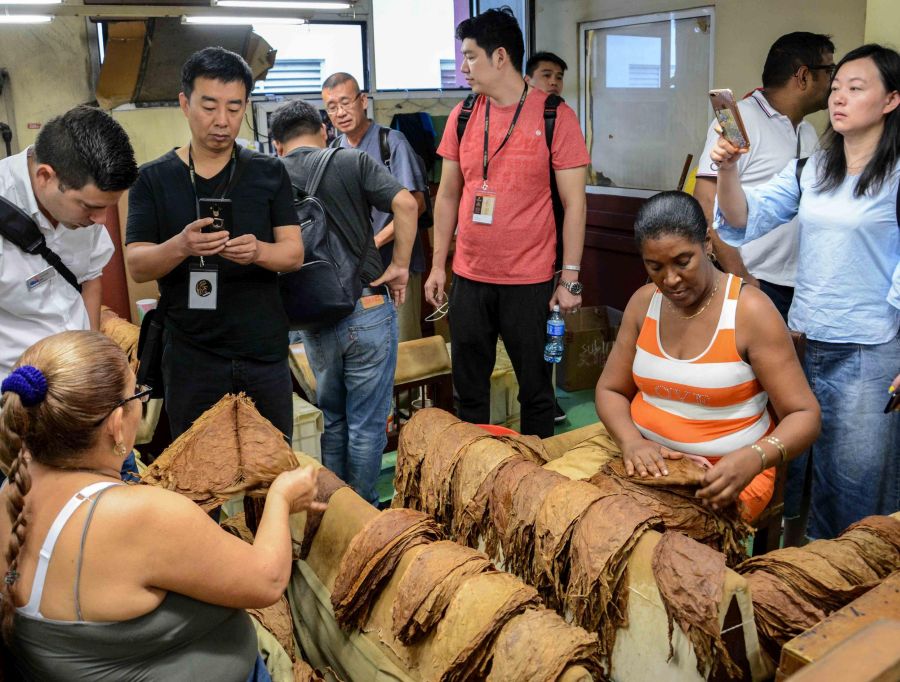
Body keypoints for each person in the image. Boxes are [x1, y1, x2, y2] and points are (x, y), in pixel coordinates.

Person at [0, 330, 323, 681]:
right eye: (137, 394)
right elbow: (268, 581)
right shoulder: (139, 516)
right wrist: (281, 496)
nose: (141, 402)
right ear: (115, 425)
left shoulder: (12, 491)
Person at [712, 44, 899, 539]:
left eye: (856, 89)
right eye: (836, 87)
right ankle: (795, 579)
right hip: (804, 341)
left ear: (891, 101)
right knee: (794, 476)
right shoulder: (813, 167)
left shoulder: (896, 175)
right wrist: (728, 168)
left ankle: (852, 598)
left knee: (857, 487)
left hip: (870, 349)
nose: (838, 98)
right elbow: (741, 221)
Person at [595, 192, 820, 521]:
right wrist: (631, 442)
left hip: (726, 475)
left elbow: (805, 415)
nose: (670, 279)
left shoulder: (749, 312)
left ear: (708, 244)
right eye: (655, 266)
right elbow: (610, 390)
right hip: (645, 461)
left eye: (683, 261)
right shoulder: (644, 304)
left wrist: (754, 457)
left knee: (665, 548)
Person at [425, 8, 590, 438]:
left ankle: (534, 487)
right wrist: (438, 263)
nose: (464, 68)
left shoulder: (554, 115)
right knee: (469, 395)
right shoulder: (463, 115)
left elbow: (575, 204)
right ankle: (473, 478)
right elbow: (446, 194)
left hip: (530, 281)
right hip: (470, 278)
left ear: (500, 58)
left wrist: (569, 278)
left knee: (536, 393)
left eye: (471, 57)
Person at [125, 47, 302, 440]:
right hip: (192, 356)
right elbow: (137, 263)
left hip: (263, 353)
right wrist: (182, 246)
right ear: (185, 104)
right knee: (197, 482)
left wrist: (258, 252)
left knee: (271, 472)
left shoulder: (268, 171)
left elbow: (292, 254)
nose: (222, 121)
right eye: (209, 106)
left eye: (235, 108)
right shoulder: (152, 179)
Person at [269, 99, 417, 506]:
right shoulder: (351, 160)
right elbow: (406, 203)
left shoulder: (268, 174)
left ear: (277, 144)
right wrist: (400, 265)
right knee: (367, 426)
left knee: (333, 419)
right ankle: (363, 511)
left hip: (312, 319)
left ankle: (334, 510)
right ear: (323, 131)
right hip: (366, 306)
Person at [695, 32, 835, 321]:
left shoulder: (807, 132)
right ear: (804, 76)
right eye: (829, 71)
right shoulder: (741, 119)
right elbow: (706, 203)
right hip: (753, 281)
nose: (834, 82)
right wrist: (742, 278)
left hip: (796, 286)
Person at [0, 106, 137, 386]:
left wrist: (91, 353)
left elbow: (89, 278)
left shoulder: (84, 214)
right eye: (90, 207)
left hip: (76, 381)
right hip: (13, 393)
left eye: (107, 208)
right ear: (45, 177)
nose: (100, 220)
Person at [322, 72, 429, 342]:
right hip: (355, 273)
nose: (340, 112)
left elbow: (416, 203)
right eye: (332, 107)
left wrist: (376, 241)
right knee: (365, 345)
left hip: (396, 262)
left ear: (363, 101)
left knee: (403, 345)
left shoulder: (391, 143)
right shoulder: (333, 151)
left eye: (346, 102)